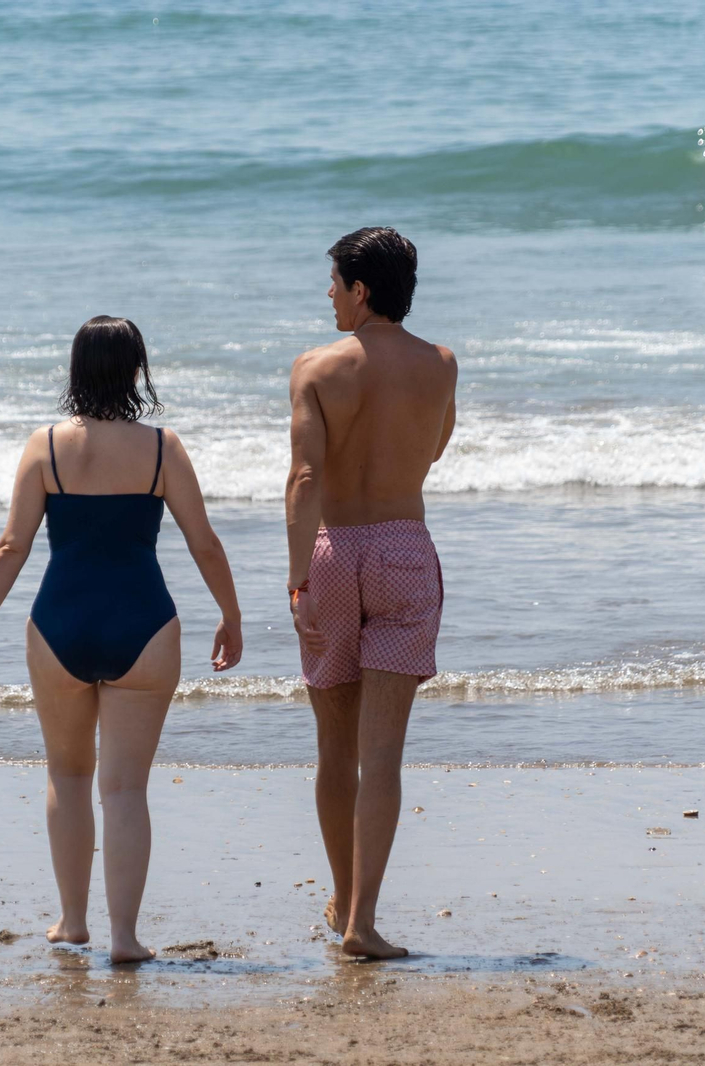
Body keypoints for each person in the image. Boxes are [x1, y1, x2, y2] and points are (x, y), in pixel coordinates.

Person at [0, 315, 243, 964]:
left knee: (68, 774)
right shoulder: (163, 448)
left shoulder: (46, 447)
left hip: (60, 627)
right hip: (146, 626)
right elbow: (204, 542)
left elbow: (12, 545)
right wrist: (231, 614)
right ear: (137, 370)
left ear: (76, 370)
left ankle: (73, 921)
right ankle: (126, 939)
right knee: (126, 789)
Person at [284, 227, 457, 959]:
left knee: (335, 751)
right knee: (382, 755)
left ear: (360, 290)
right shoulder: (440, 364)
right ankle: (361, 923)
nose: (327, 293)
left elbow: (304, 479)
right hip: (403, 551)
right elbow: (434, 448)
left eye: (334, 282)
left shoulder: (315, 368)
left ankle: (342, 895)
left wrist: (297, 577)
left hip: (333, 550)